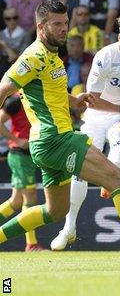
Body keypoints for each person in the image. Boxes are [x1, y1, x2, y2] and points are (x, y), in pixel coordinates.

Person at [0, 0, 120, 265]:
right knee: (119, 181)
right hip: (56, 139)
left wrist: (73, 100)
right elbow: (3, 89)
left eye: (65, 23)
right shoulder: (33, 56)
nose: (63, 28)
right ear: (40, 26)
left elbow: (46, 93)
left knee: (56, 210)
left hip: (47, 143)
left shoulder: (52, 55)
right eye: (57, 24)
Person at [51, 14, 120, 251]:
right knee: (80, 169)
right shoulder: (105, 57)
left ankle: (111, 178)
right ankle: (69, 227)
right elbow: (93, 101)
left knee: (118, 136)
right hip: (97, 115)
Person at [0, 94, 44, 251]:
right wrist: (17, 140)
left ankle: (31, 244)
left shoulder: (38, 96)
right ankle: (31, 244)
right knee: (30, 197)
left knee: (16, 201)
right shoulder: (15, 101)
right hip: (20, 154)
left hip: (29, 155)